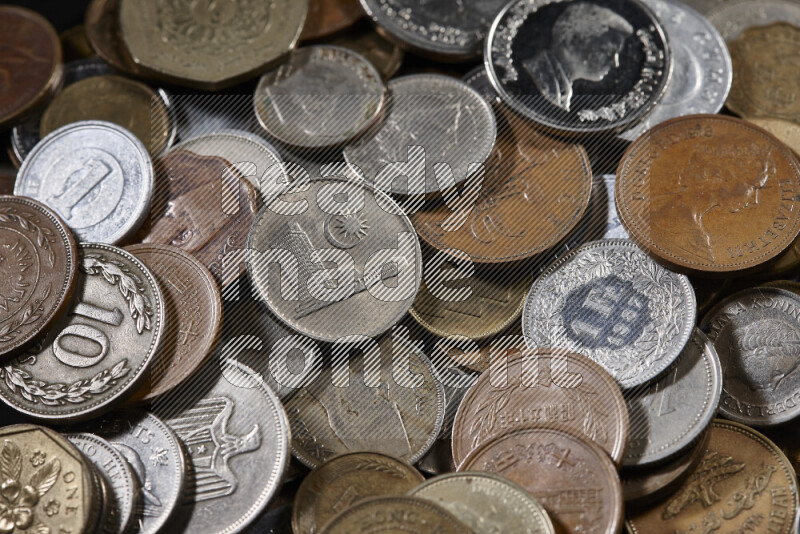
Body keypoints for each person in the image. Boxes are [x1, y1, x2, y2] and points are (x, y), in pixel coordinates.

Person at [523, 3, 633, 112]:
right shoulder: (535, 76)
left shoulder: (561, 90)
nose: (615, 63)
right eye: (606, 50)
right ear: (573, 42)